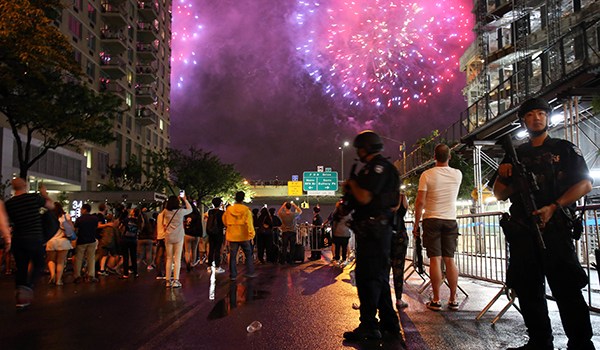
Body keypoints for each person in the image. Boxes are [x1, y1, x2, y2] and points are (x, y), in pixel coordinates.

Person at [492, 97, 595, 350]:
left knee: (567, 289)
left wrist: (554, 206)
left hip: (556, 228)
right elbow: (498, 193)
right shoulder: (515, 154)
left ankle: (581, 343)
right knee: (528, 289)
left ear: (548, 118)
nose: (536, 118)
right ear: (523, 121)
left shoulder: (565, 149)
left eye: (541, 113)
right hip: (524, 231)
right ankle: (539, 341)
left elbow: (584, 184)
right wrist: (506, 176)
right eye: (530, 115)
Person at [342, 130, 401, 341]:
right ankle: (389, 325)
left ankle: (369, 326)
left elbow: (365, 197)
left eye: (360, 147)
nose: (358, 151)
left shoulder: (379, 168)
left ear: (366, 147)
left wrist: (352, 185)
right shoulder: (375, 169)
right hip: (374, 231)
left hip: (376, 231)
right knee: (380, 279)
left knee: (368, 279)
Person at [412, 144, 462, 311]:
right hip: (450, 219)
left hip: (432, 219)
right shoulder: (458, 174)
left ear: (434, 157)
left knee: (435, 259)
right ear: (450, 157)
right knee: (450, 259)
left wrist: (416, 223)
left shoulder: (427, 175)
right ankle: (454, 299)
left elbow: (420, 202)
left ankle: (436, 299)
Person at [5, 179, 54, 308]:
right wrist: (44, 194)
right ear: (26, 186)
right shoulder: (34, 198)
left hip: (18, 239)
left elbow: (7, 221)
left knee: (21, 267)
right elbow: (51, 206)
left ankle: (20, 297)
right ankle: (28, 286)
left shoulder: (9, 204)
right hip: (34, 237)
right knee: (39, 263)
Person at [223, 191, 256, 280]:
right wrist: (251, 235)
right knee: (248, 254)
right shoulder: (246, 210)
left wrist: (230, 226)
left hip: (232, 235)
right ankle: (250, 272)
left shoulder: (229, 209)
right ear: (243, 198)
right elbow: (249, 223)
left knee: (233, 256)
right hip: (244, 235)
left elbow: (224, 220)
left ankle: (233, 275)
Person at [162, 194, 192, 288]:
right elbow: (190, 209)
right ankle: (175, 280)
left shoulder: (165, 211)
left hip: (168, 236)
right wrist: (184, 200)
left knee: (169, 258)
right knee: (177, 259)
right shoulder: (180, 211)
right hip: (178, 236)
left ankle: (167, 281)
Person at [45, 202, 74, 286]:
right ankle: (58, 280)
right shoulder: (65, 217)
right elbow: (72, 228)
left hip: (51, 241)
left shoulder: (49, 218)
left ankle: (52, 275)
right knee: (60, 262)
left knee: (51, 260)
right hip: (63, 241)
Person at [391, 192, 409, 310]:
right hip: (400, 236)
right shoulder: (402, 197)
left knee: (382, 270)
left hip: (385, 235)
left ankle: (381, 300)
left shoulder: (382, 197)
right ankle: (398, 299)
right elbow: (406, 208)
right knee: (398, 269)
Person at [74, 203, 100, 283]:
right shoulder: (95, 218)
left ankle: (77, 276)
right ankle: (91, 275)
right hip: (92, 240)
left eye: (81, 209)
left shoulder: (79, 219)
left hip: (81, 241)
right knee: (91, 258)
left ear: (85, 209)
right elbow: (96, 227)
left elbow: (76, 230)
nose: (81, 211)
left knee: (79, 259)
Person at [121, 208, 144, 279]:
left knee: (126, 256)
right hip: (134, 240)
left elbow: (122, 228)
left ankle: (125, 273)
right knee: (133, 256)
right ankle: (135, 272)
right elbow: (140, 229)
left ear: (133, 213)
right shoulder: (139, 221)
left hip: (126, 239)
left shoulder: (127, 220)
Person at [206, 197, 226, 273]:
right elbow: (224, 223)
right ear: (220, 203)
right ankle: (217, 266)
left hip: (211, 233)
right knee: (218, 249)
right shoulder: (222, 213)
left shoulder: (210, 212)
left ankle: (209, 266)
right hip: (219, 233)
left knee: (211, 249)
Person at [330, 200, 352, 267]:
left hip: (337, 234)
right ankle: (344, 260)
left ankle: (337, 260)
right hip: (345, 234)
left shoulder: (335, 214)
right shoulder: (348, 214)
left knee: (337, 247)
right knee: (344, 247)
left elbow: (333, 222)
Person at [183, 202, 202, 272]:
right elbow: (200, 226)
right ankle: (192, 263)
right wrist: (201, 235)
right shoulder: (198, 215)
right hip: (196, 235)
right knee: (194, 250)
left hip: (187, 234)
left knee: (187, 250)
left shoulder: (186, 214)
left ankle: (187, 262)